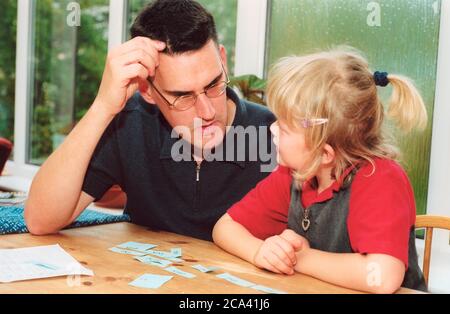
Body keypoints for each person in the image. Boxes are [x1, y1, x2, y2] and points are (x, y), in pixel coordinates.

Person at [24, 0, 275, 241]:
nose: (207, 111)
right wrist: (102, 107)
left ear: (223, 60)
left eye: (213, 85)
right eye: (182, 96)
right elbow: (40, 220)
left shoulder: (274, 137)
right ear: (146, 89)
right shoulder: (129, 123)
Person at [212, 47, 428, 293]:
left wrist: (301, 257)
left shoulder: (380, 179)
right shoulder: (293, 174)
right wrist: (260, 251)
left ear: (324, 153)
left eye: (284, 128)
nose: (272, 129)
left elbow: (382, 277)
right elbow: (224, 228)